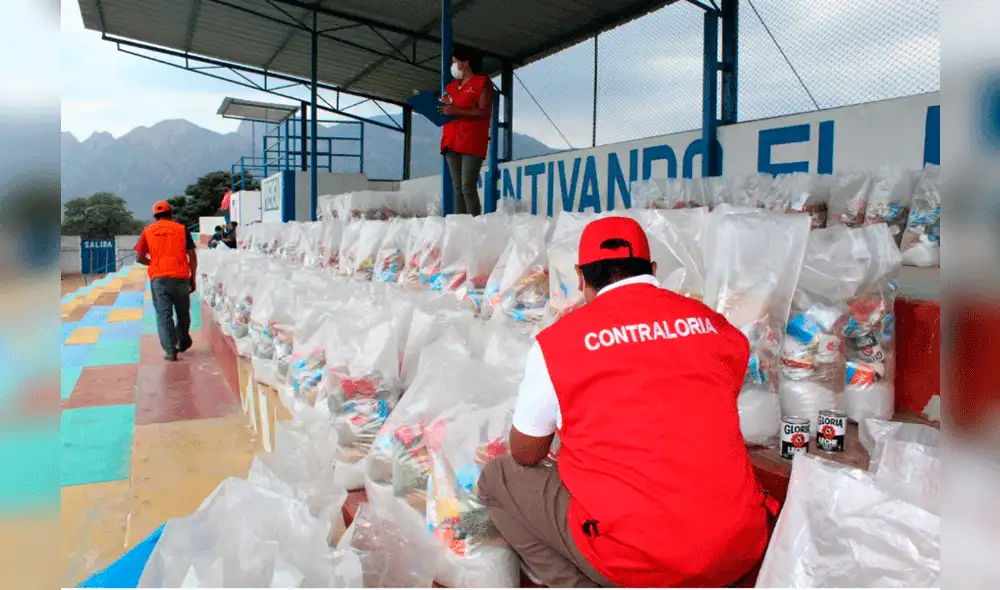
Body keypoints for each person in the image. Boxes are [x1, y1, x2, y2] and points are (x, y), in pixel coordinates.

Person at [477, 216, 777, 588]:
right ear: (653, 269)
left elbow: (526, 454)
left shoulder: (558, 344)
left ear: (580, 277)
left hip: (640, 563)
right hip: (739, 547)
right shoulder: (713, 324)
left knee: (497, 478)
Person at [135, 201, 198, 362]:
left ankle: (171, 350)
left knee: (164, 315)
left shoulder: (148, 231)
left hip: (159, 279)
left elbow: (139, 257)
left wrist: (155, 263)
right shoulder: (181, 229)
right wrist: (193, 278)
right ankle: (183, 341)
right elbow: (192, 256)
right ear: (171, 213)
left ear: (155, 216)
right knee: (183, 312)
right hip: (181, 277)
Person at [439, 46, 493, 216]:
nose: (453, 66)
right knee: (457, 187)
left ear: (466, 63)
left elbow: (484, 112)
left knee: (467, 186)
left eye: (455, 62)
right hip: (451, 140)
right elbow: (447, 109)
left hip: (472, 140)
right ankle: (460, 222)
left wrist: (455, 110)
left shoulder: (482, 83)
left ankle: (474, 223)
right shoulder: (451, 87)